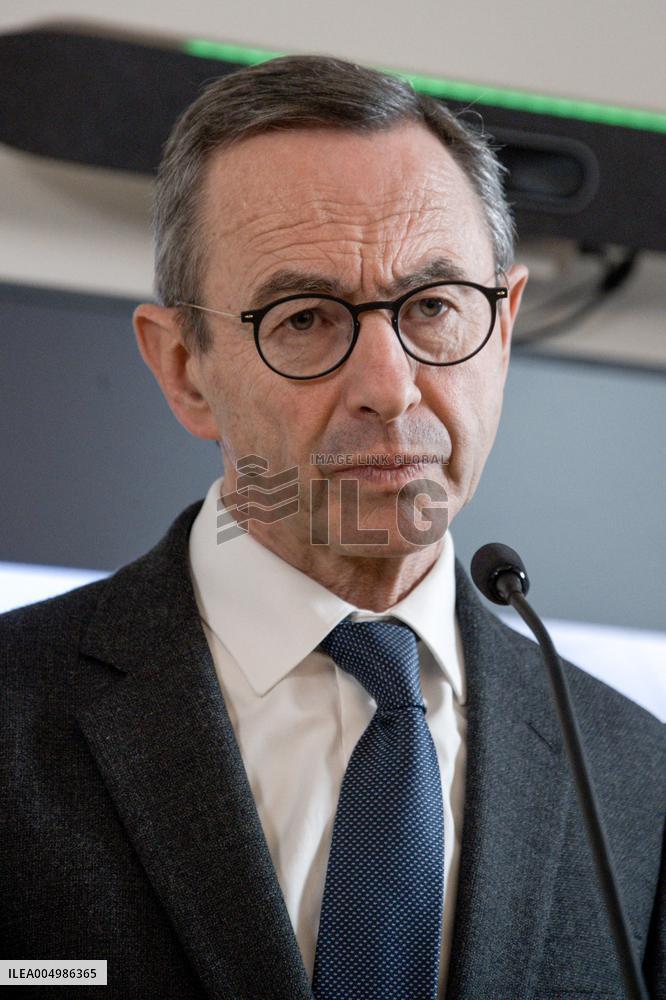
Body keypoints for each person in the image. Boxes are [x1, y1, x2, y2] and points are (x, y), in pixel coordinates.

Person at [1, 55, 663, 1000]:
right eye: (306, 318)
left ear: (504, 329)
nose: (391, 389)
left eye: (434, 307)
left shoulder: (639, 780)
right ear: (186, 368)